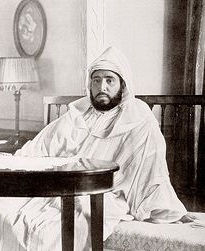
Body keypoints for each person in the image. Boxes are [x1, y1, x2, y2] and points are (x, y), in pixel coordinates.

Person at [0, 47, 192, 251]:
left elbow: (151, 172)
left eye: (110, 80)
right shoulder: (76, 115)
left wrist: (165, 208)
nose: (102, 86)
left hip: (105, 195)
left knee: (52, 230)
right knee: (5, 210)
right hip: (57, 189)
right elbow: (36, 151)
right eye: (96, 80)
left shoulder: (139, 119)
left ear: (122, 85)